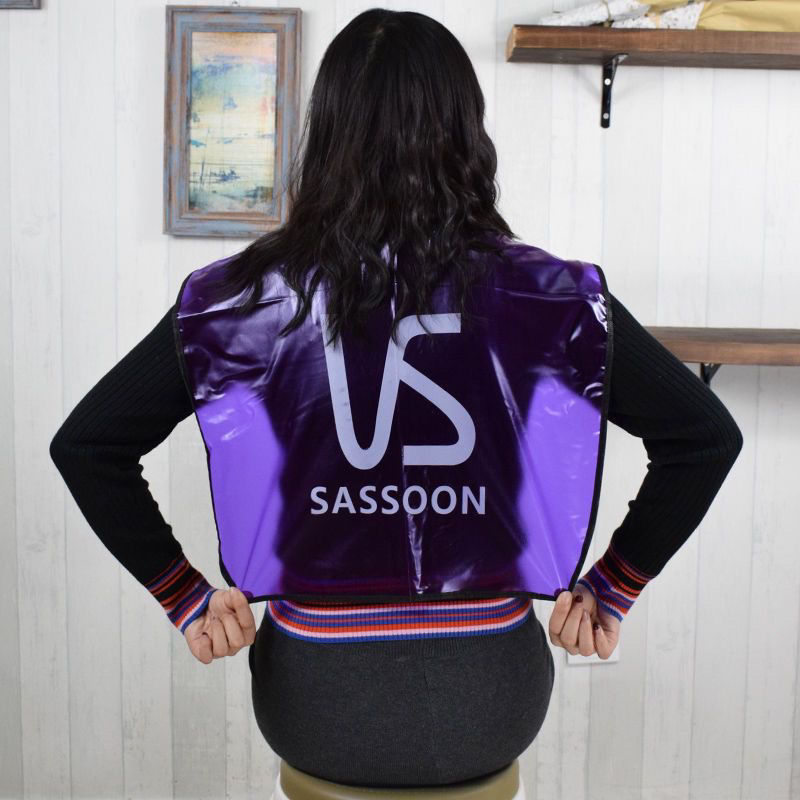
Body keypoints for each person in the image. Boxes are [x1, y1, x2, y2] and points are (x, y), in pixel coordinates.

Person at [48, 7, 743, 790]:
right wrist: (612, 589)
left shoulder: (236, 300)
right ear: (467, 132)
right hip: (492, 694)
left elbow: (88, 445)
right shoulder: (552, 296)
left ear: (327, 131)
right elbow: (705, 438)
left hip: (316, 696)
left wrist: (186, 600)